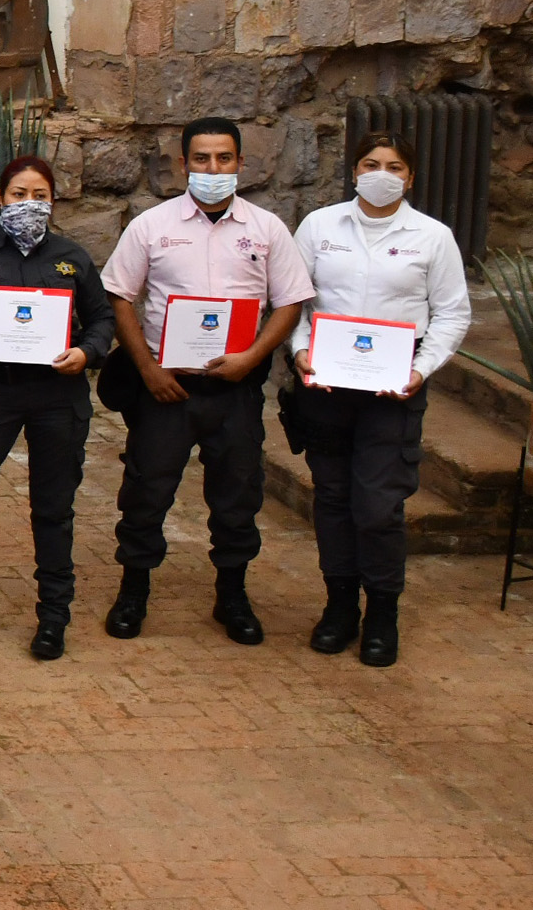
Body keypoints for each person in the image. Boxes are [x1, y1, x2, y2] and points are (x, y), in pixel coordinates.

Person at [99, 117, 314, 644]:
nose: (212, 169)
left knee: (238, 493)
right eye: (201, 159)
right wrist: (147, 369)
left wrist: (253, 357)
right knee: (146, 490)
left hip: (235, 389)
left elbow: (290, 302)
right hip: (166, 388)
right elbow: (119, 296)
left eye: (223, 158)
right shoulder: (151, 226)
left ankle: (232, 596)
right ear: (183, 165)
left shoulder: (267, 229)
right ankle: (133, 591)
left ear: (240, 163)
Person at [290, 129, 470, 668]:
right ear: (354, 172)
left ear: (409, 178)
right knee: (333, 498)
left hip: (393, 388)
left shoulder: (433, 237)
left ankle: (382, 613)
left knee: (378, 507)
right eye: (371, 164)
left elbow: (452, 313)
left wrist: (421, 369)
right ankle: (339, 607)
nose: (381, 175)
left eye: (394, 167)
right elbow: (295, 300)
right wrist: (300, 350)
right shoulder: (320, 226)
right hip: (326, 384)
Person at [0, 156, 116, 660]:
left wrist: (86, 352)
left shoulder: (73, 259)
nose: (29, 203)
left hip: (57, 396)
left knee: (53, 510)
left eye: (40, 195)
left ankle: (53, 616)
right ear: (0, 198)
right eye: (19, 194)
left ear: (53, 201)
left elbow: (103, 319)